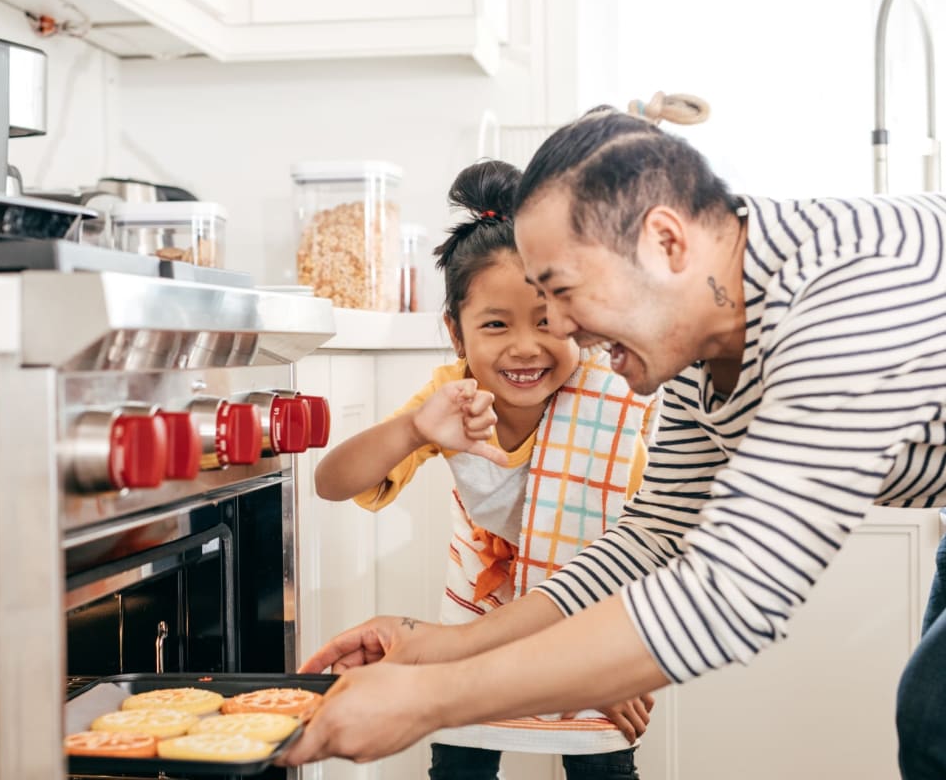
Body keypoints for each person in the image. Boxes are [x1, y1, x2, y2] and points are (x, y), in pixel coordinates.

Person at [280, 106, 946, 780]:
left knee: (933, 718)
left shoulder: (844, 298)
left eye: (563, 293)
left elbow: (733, 597)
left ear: (664, 243)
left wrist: (432, 700)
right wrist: (444, 645)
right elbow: (651, 536)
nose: (561, 328)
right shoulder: (702, 338)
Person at [313, 159, 660, 779]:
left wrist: (603, 662)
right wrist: (414, 429)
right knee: (459, 765)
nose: (524, 347)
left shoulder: (612, 396)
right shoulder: (453, 398)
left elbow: (638, 544)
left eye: (548, 322)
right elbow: (331, 483)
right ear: (456, 333)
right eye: (495, 324)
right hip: (475, 621)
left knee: (601, 764)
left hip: (593, 621)